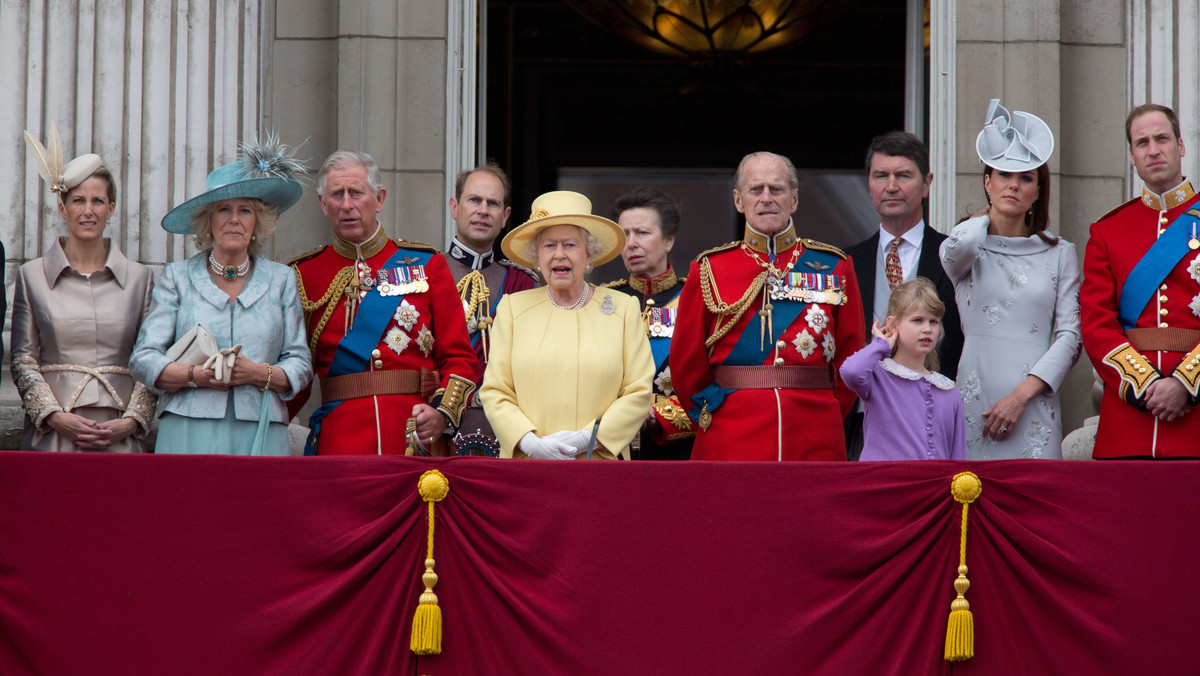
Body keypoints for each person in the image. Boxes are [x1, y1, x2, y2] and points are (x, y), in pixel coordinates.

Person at [670, 151, 865, 461]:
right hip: (730, 436)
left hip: (814, 433)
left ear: (794, 199)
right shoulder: (708, 268)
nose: (766, 198)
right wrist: (714, 416)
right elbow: (686, 366)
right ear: (738, 200)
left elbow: (850, 360)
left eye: (776, 189)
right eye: (755, 189)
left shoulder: (835, 267)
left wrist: (824, 414)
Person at [130, 137, 313, 455]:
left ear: (257, 222)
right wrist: (194, 376)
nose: (234, 219)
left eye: (245, 210)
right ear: (208, 221)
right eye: (223, 210)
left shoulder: (282, 279)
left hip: (261, 427)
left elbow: (300, 364)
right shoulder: (177, 278)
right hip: (189, 426)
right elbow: (143, 359)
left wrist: (257, 373)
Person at [289, 151, 477, 456]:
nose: (347, 205)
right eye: (337, 194)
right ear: (324, 204)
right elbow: (295, 373)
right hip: (340, 443)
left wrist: (442, 413)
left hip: (413, 438)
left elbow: (460, 358)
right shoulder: (303, 275)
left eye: (357, 193)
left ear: (379, 199)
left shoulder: (428, 264)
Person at [939, 99, 1082, 460]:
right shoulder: (967, 247)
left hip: (1033, 404)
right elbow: (959, 244)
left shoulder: (1060, 252)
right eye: (1003, 174)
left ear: (1037, 192)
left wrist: (1021, 396)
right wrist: (987, 214)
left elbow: (1070, 335)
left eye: (1025, 178)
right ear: (987, 182)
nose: (1013, 185)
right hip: (975, 401)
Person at [479, 190, 653, 460]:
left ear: (589, 254)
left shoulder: (623, 309)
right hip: (528, 466)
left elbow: (638, 390)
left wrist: (588, 438)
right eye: (549, 245)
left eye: (570, 245)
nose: (559, 254)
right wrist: (529, 442)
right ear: (537, 256)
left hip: (598, 464)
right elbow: (495, 390)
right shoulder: (513, 309)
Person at [11, 129, 155, 452]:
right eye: (78, 200)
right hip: (52, 437)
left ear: (111, 208)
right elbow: (22, 360)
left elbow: (150, 360)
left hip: (119, 438)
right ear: (63, 209)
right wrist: (54, 416)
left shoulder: (141, 279)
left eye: (97, 201)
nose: (88, 211)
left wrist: (130, 422)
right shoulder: (32, 276)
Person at [1081, 103, 1200, 458]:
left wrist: (1185, 383)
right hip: (1129, 419)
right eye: (1142, 142)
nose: (1153, 150)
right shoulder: (1108, 231)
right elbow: (1095, 323)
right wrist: (1145, 385)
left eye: (1161, 139)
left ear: (1180, 146)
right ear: (1132, 156)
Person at [844, 131, 964, 460]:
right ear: (869, 183)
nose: (891, 186)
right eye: (880, 175)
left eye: (903, 175)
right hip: (861, 428)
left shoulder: (954, 256)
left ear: (926, 183)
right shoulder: (845, 263)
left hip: (929, 426)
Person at [445, 164, 537, 456]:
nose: (483, 210)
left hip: (502, 431)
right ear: (454, 207)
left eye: (493, 203)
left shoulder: (523, 283)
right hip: (438, 426)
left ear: (505, 217)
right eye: (474, 200)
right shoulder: (426, 273)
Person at [602, 186, 694, 460]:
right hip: (612, 448)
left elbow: (714, 382)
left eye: (642, 233)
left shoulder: (697, 299)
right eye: (625, 235)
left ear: (669, 240)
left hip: (676, 452)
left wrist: (660, 416)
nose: (631, 243)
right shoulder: (601, 301)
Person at [839, 278, 965, 461]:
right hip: (886, 485)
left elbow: (957, 456)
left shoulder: (948, 390)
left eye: (934, 322)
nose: (927, 329)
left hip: (934, 487)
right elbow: (850, 372)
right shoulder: (878, 377)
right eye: (917, 320)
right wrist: (880, 346)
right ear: (893, 324)